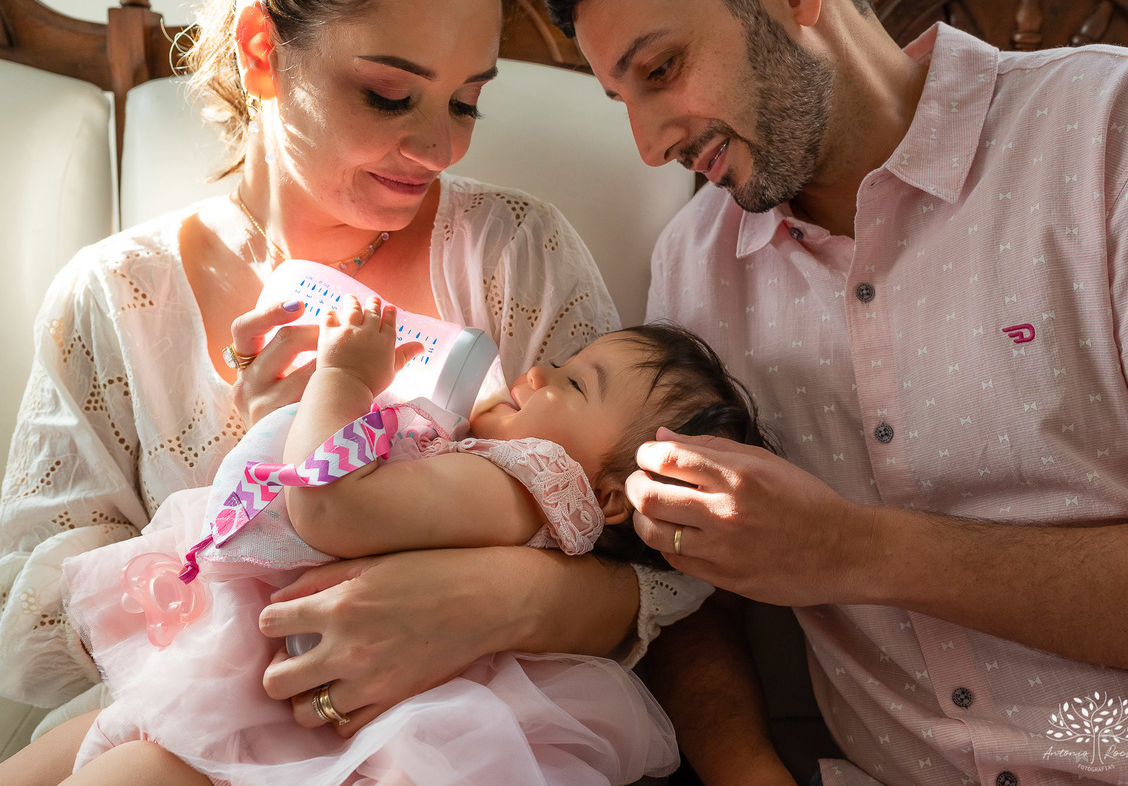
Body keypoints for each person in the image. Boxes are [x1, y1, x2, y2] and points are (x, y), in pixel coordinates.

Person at [0, 0, 684, 775]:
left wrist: (505, 595)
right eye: (388, 95)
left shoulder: (516, 255)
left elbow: (670, 565)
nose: (438, 149)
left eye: (467, 103)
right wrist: (250, 474)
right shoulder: (115, 299)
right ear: (263, 51)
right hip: (191, 729)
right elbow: (27, 638)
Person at [542, 0, 1128, 783]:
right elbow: (691, 594)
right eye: (620, 97)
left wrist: (856, 552)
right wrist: (747, 769)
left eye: (662, 67)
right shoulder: (693, 268)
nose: (648, 145)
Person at [2, 306, 772, 786]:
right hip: (237, 670)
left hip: (274, 712)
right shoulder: (489, 467)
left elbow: (330, 503)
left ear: (603, 496)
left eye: (572, 384)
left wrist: (345, 376)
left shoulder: (527, 483)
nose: (539, 370)